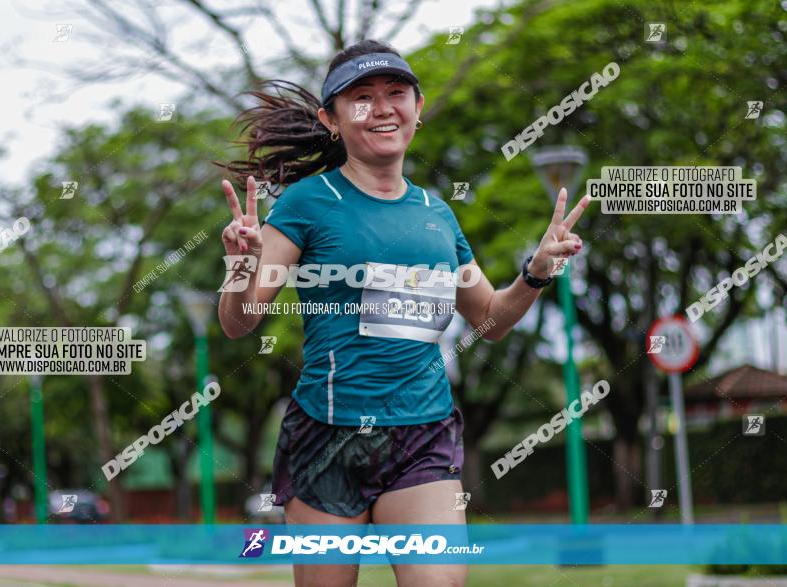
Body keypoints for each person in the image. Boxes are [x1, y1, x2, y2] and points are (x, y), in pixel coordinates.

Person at [215, 39, 589, 587]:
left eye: (396, 93)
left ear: (417, 106)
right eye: (361, 97)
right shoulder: (306, 203)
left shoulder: (436, 213)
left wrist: (535, 272)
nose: (383, 107)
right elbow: (238, 321)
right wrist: (242, 265)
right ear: (332, 120)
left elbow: (488, 319)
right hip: (327, 437)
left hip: (423, 436)